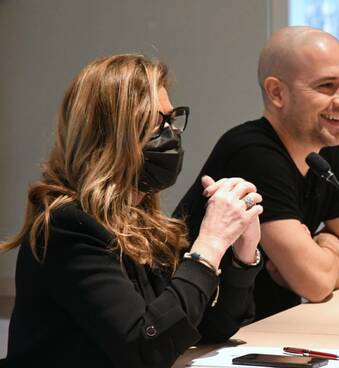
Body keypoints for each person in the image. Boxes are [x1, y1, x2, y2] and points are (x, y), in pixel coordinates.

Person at [0, 55, 264, 367]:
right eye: (156, 123)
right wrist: (210, 244)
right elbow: (144, 347)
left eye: (171, 120)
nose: (172, 135)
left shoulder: (142, 220)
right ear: (110, 135)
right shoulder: (67, 225)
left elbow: (206, 328)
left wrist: (242, 250)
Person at [175, 27, 339, 320]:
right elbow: (314, 282)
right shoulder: (252, 153)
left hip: (269, 326)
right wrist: (331, 246)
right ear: (277, 93)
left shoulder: (326, 145)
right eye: (326, 86)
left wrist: (326, 250)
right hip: (207, 336)